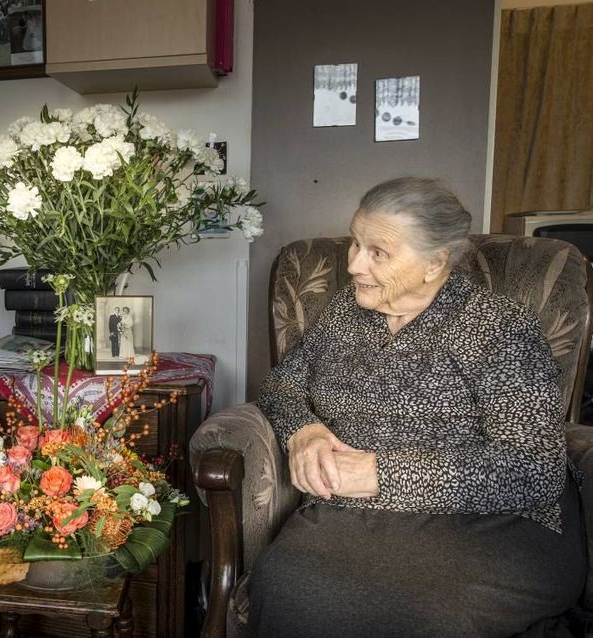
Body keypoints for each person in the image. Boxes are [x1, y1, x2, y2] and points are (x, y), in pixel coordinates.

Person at [250, 177, 585, 636]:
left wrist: (376, 474)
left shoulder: (497, 326)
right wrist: (303, 432)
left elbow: (531, 469)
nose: (352, 265)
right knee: (287, 586)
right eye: (355, 244)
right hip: (351, 516)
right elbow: (281, 387)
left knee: (424, 612)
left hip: (487, 523)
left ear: (435, 263)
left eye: (377, 252)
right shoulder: (345, 312)